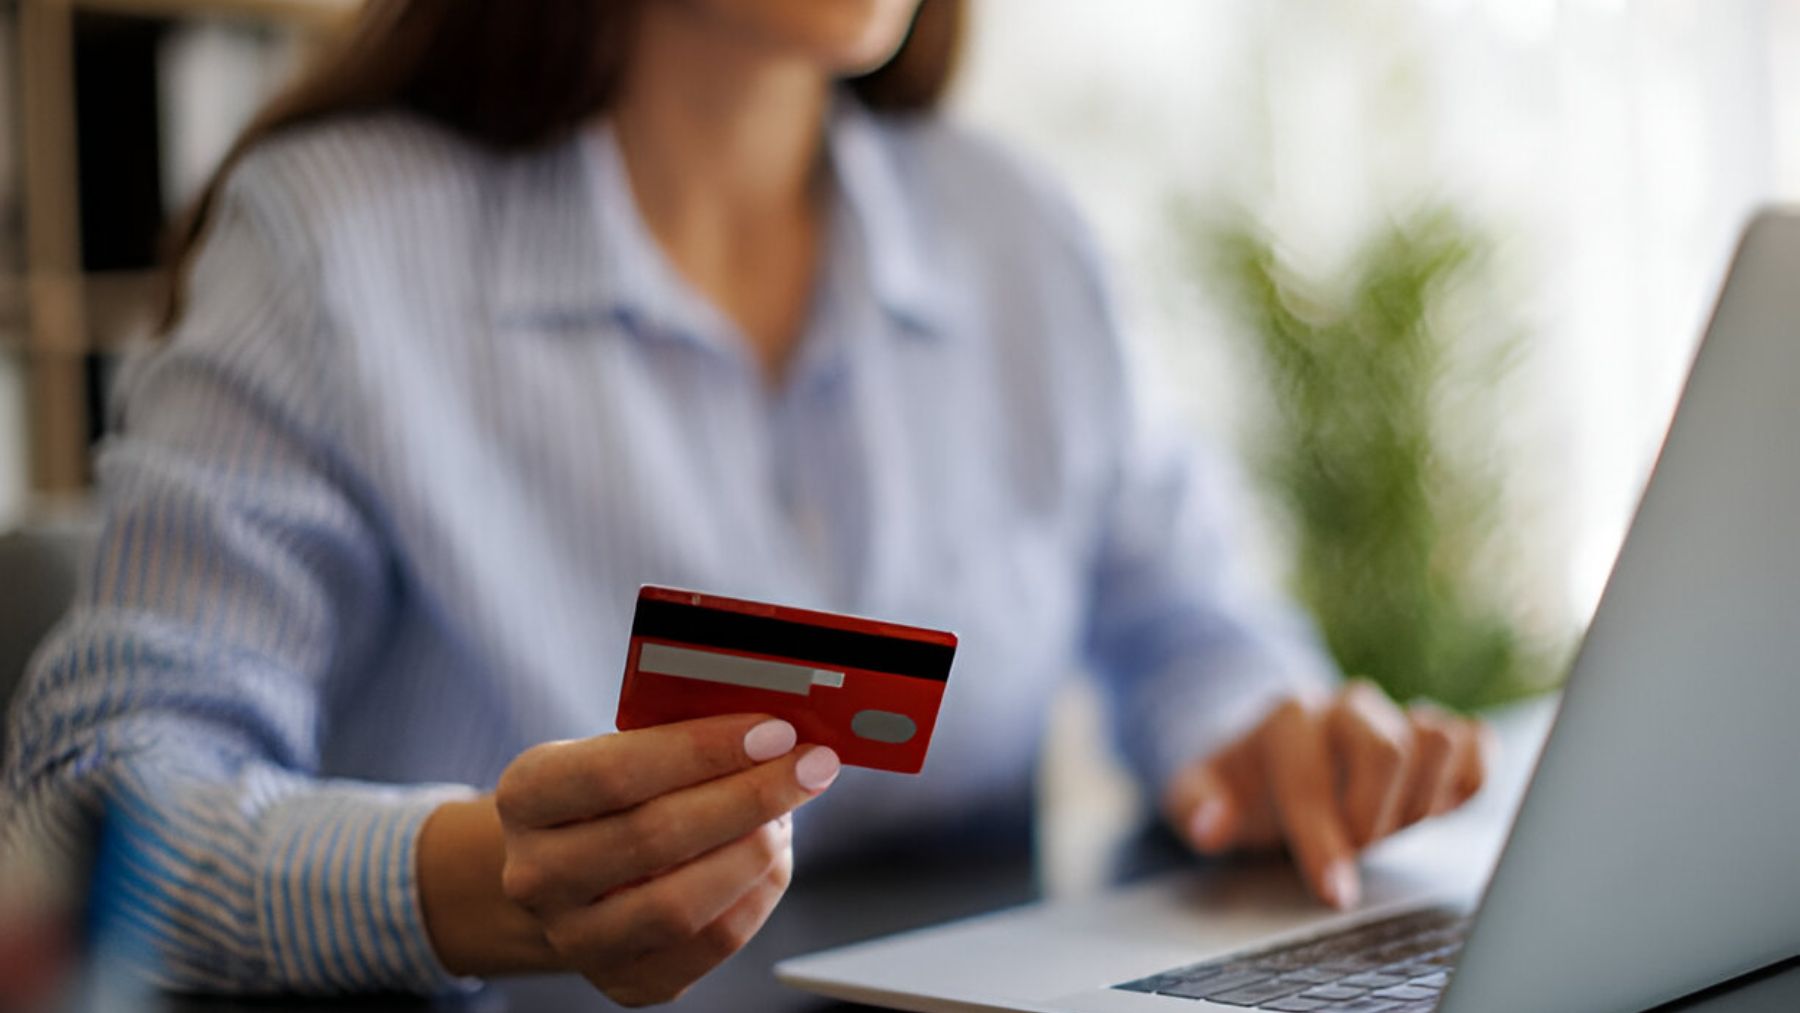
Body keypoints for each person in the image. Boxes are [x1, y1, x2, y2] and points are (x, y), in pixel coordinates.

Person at [0, 0, 1491, 1007]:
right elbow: (96, 804)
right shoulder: (332, 245)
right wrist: (474, 880)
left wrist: (1269, 740)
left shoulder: (1013, 228)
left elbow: (1193, 625)